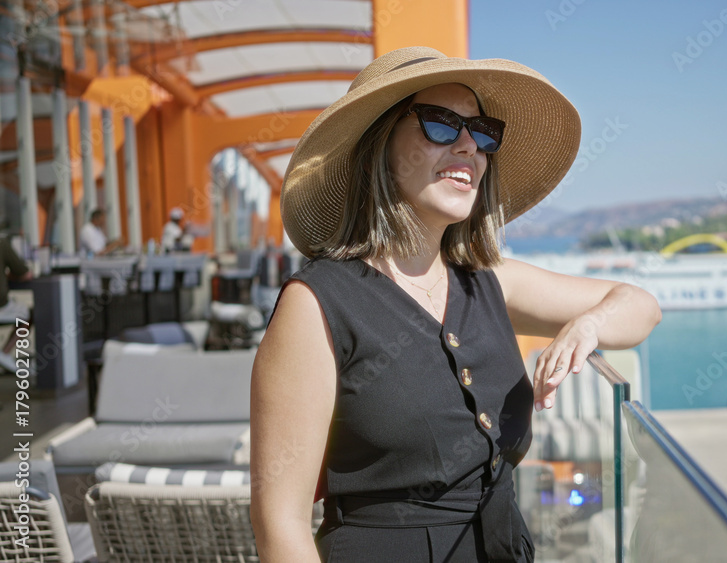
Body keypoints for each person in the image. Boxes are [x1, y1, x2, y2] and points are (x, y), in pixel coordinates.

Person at [250, 47, 662, 563]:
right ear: (379, 146)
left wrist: (589, 326)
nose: (470, 146)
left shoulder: (489, 281)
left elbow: (641, 306)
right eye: (441, 125)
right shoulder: (317, 304)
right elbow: (279, 525)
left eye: (483, 132)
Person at [0, 234, 31, 372]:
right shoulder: (2, 243)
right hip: (1, 306)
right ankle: (5, 353)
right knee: (28, 315)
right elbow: (25, 274)